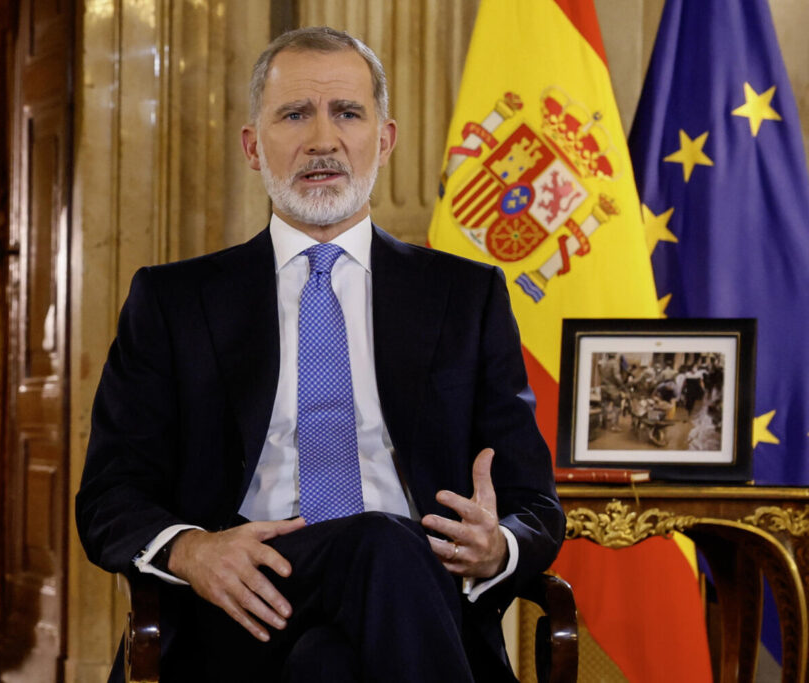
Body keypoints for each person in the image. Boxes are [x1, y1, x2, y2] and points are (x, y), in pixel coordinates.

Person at [76, 26, 564, 683]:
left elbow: (536, 503)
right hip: (239, 607)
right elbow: (108, 494)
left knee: (334, 652)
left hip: (412, 604)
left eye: (348, 113)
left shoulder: (464, 297)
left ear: (384, 140)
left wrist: (495, 544)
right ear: (254, 145)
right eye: (295, 114)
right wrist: (192, 550)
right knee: (383, 543)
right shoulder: (173, 300)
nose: (323, 141)